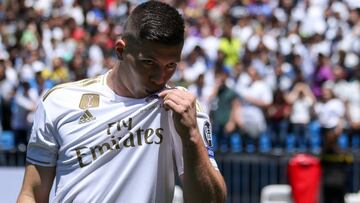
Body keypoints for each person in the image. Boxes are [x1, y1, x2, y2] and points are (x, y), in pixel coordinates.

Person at [17, 1, 227, 203]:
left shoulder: (184, 109)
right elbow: (32, 195)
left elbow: (213, 200)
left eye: (171, 65)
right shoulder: (59, 102)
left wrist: (191, 135)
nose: (160, 77)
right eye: (148, 62)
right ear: (121, 51)